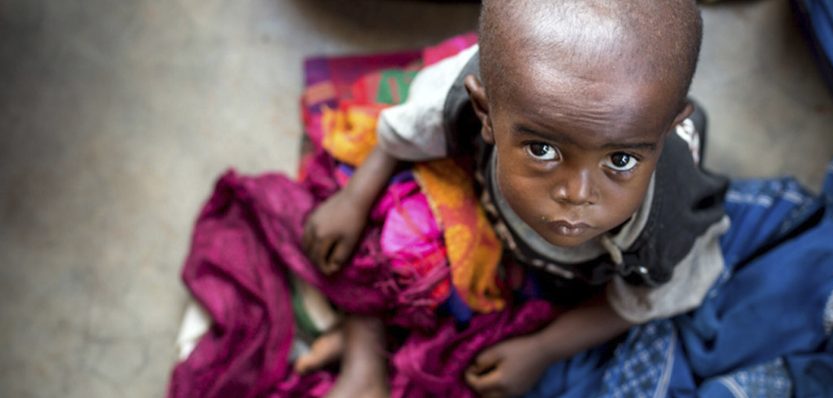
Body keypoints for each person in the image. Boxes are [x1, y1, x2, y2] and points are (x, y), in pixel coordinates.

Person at [299, 0, 729, 397]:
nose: (576, 195)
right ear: (485, 112)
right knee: (370, 193)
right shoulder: (465, 98)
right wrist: (355, 199)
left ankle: (368, 340)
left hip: (567, 279)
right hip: (497, 176)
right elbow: (406, 130)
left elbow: (642, 302)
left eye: (620, 159)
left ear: (669, 127)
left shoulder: (665, 228)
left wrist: (542, 349)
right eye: (543, 150)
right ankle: (366, 343)